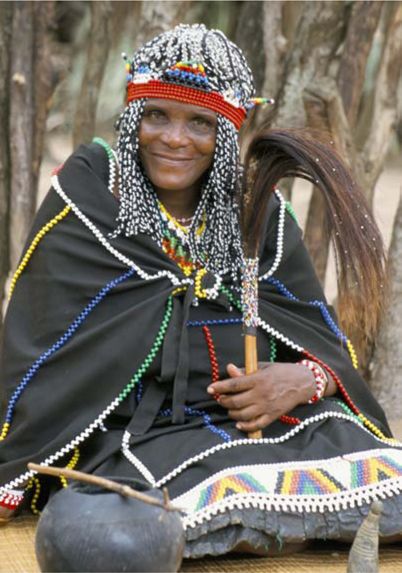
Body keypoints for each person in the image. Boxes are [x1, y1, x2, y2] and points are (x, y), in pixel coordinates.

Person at [1, 23, 402, 557]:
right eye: (156, 115)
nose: (174, 138)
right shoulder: (88, 202)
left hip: (272, 423)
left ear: (227, 131)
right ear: (132, 117)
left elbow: (320, 338)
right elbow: (45, 361)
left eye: (200, 122)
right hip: (136, 435)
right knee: (137, 528)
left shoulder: (257, 214)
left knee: (381, 475)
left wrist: (302, 380)